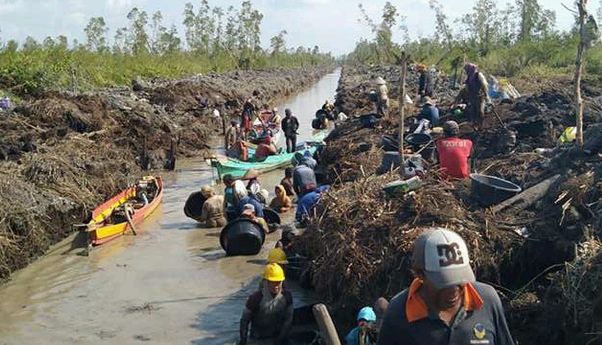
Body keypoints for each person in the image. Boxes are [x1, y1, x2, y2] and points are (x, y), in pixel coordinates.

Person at [377, 227, 515, 345]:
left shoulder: (487, 300)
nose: (453, 291)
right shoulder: (398, 312)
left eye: (460, 278)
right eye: (444, 282)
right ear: (420, 274)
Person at [239, 263, 293, 345]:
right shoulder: (255, 298)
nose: (276, 286)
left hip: (278, 337)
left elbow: (288, 320)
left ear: (282, 281)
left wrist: (281, 338)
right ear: (266, 282)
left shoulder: (287, 297)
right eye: (273, 282)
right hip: (258, 339)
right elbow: (244, 321)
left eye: (278, 282)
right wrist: (243, 341)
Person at [462, 63, 491, 130]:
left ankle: (481, 126)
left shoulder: (478, 75)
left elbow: (484, 85)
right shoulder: (469, 76)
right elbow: (467, 87)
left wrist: (486, 95)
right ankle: (475, 125)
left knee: (480, 111)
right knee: (473, 111)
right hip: (472, 97)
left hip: (480, 97)